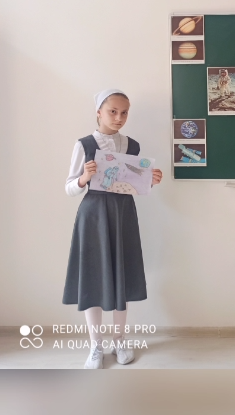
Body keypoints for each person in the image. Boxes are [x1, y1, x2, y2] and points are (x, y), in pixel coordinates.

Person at [62, 89, 163, 369]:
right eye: (113, 111)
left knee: (121, 276)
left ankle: (119, 340)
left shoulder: (132, 146)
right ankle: (96, 345)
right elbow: (69, 187)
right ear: (99, 112)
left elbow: (133, 183)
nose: (119, 117)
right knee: (93, 278)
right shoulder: (84, 144)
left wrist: (151, 180)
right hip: (93, 215)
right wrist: (84, 177)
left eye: (124, 112)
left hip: (122, 214)